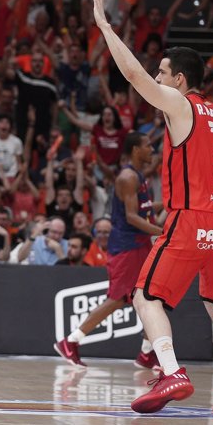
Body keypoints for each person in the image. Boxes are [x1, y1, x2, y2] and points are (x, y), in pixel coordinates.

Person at [93, 0, 213, 415]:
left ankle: (170, 371)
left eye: (163, 73)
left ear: (180, 81)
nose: (158, 78)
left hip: (194, 219)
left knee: (146, 298)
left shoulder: (181, 105)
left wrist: (107, 28)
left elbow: (134, 78)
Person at [54, 132, 162, 368]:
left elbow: (142, 207)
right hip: (127, 246)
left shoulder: (138, 175)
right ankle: (71, 341)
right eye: (147, 146)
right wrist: (162, 231)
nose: (152, 150)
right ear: (135, 150)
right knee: (117, 299)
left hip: (140, 245)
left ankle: (146, 353)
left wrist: (167, 205)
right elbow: (132, 217)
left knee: (151, 297)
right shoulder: (127, 177)